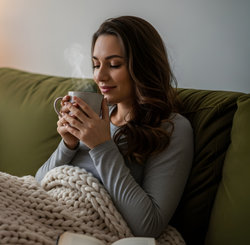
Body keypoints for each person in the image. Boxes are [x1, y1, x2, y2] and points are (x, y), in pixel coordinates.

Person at [35, 16, 194, 238]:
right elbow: (37, 184)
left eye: (114, 64)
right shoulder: (97, 117)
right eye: (96, 64)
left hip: (80, 227)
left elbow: (148, 226)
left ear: (143, 66)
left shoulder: (171, 128)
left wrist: (101, 146)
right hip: (47, 210)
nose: (100, 76)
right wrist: (68, 144)